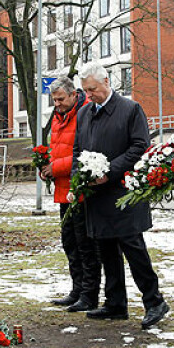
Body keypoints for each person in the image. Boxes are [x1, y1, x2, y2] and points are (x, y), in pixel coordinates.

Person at [70, 62, 170, 330]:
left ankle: (154, 301)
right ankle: (115, 304)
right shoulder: (84, 113)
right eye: (85, 91)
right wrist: (78, 178)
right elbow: (78, 149)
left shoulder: (130, 109)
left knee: (133, 249)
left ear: (106, 81)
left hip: (124, 192)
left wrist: (109, 170)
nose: (89, 95)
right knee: (106, 250)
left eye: (92, 89)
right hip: (96, 195)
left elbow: (140, 147)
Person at [43, 77, 102, 312]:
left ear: (73, 95)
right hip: (63, 189)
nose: (57, 104)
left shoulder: (84, 114)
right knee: (69, 243)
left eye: (60, 99)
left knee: (85, 244)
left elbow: (85, 152)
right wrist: (46, 165)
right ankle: (77, 290)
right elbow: (57, 148)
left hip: (80, 190)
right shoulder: (59, 117)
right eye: (54, 100)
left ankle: (89, 293)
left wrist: (55, 167)